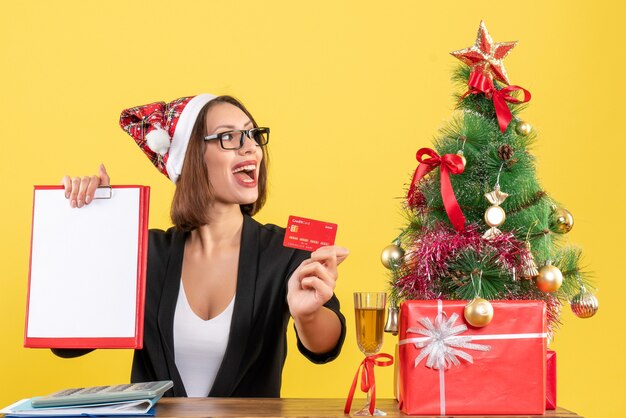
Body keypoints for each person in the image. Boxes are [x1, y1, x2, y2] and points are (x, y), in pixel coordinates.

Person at [58, 94, 348, 397]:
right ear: (190, 157)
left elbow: (325, 348)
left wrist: (308, 315)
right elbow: (69, 343)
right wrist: (92, 231)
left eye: (252, 134)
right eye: (229, 137)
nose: (250, 147)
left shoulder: (286, 250)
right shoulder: (147, 252)